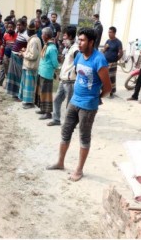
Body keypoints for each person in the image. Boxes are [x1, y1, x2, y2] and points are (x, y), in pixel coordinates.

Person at [46, 28, 112, 182]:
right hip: (74, 101)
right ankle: (60, 162)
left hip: (88, 106)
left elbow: (108, 88)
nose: (79, 43)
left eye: (82, 40)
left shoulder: (99, 60)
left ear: (91, 42)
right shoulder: (79, 57)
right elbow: (77, 75)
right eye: (78, 40)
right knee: (65, 131)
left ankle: (79, 169)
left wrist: (96, 97)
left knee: (84, 136)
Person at [48, 25, 79, 126]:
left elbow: (78, 64)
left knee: (70, 104)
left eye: (64, 35)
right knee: (57, 100)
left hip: (70, 81)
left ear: (70, 36)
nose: (63, 38)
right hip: (63, 80)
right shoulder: (69, 48)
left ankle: (70, 123)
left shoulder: (75, 49)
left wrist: (74, 75)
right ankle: (56, 119)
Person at [35, 27, 59, 119]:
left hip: (47, 73)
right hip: (42, 72)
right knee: (41, 91)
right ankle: (43, 109)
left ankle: (48, 113)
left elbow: (55, 63)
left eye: (42, 34)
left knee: (46, 93)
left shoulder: (52, 48)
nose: (41, 35)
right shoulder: (47, 45)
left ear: (46, 35)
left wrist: (56, 70)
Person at [19, 22, 42, 109]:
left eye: (27, 30)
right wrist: (25, 51)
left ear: (29, 31)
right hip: (29, 65)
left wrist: (24, 54)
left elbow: (33, 56)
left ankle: (30, 103)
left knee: (30, 85)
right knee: (27, 84)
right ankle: (28, 101)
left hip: (31, 66)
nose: (27, 32)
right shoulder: (35, 39)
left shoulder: (33, 41)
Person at [6, 18, 28, 100]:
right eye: (17, 25)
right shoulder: (18, 33)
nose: (18, 27)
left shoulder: (26, 35)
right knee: (13, 76)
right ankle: (14, 93)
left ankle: (20, 94)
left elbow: (29, 46)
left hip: (19, 58)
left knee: (19, 77)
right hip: (13, 57)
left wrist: (23, 52)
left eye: (20, 25)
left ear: (24, 25)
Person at [103, 26, 122, 97]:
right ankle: (104, 90)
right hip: (105, 62)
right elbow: (104, 51)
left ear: (114, 33)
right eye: (108, 32)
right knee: (104, 76)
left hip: (113, 63)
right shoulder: (108, 41)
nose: (109, 34)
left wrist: (116, 59)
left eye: (110, 32)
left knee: (111, 77)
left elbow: (120, 53)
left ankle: (111, 92)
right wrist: (105, 48)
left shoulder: (118, 42)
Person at [0, 22, 17, 86]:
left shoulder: (17, 36)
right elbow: (3, 46)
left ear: (14, 28)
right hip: (6, 55)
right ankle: (0, 81)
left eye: (11, 27)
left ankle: (8, 84)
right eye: (8, 27)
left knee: (9, 71)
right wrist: (1, 57)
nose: (10, 29)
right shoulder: (5, 36)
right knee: (2, 68)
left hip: (13, 57)